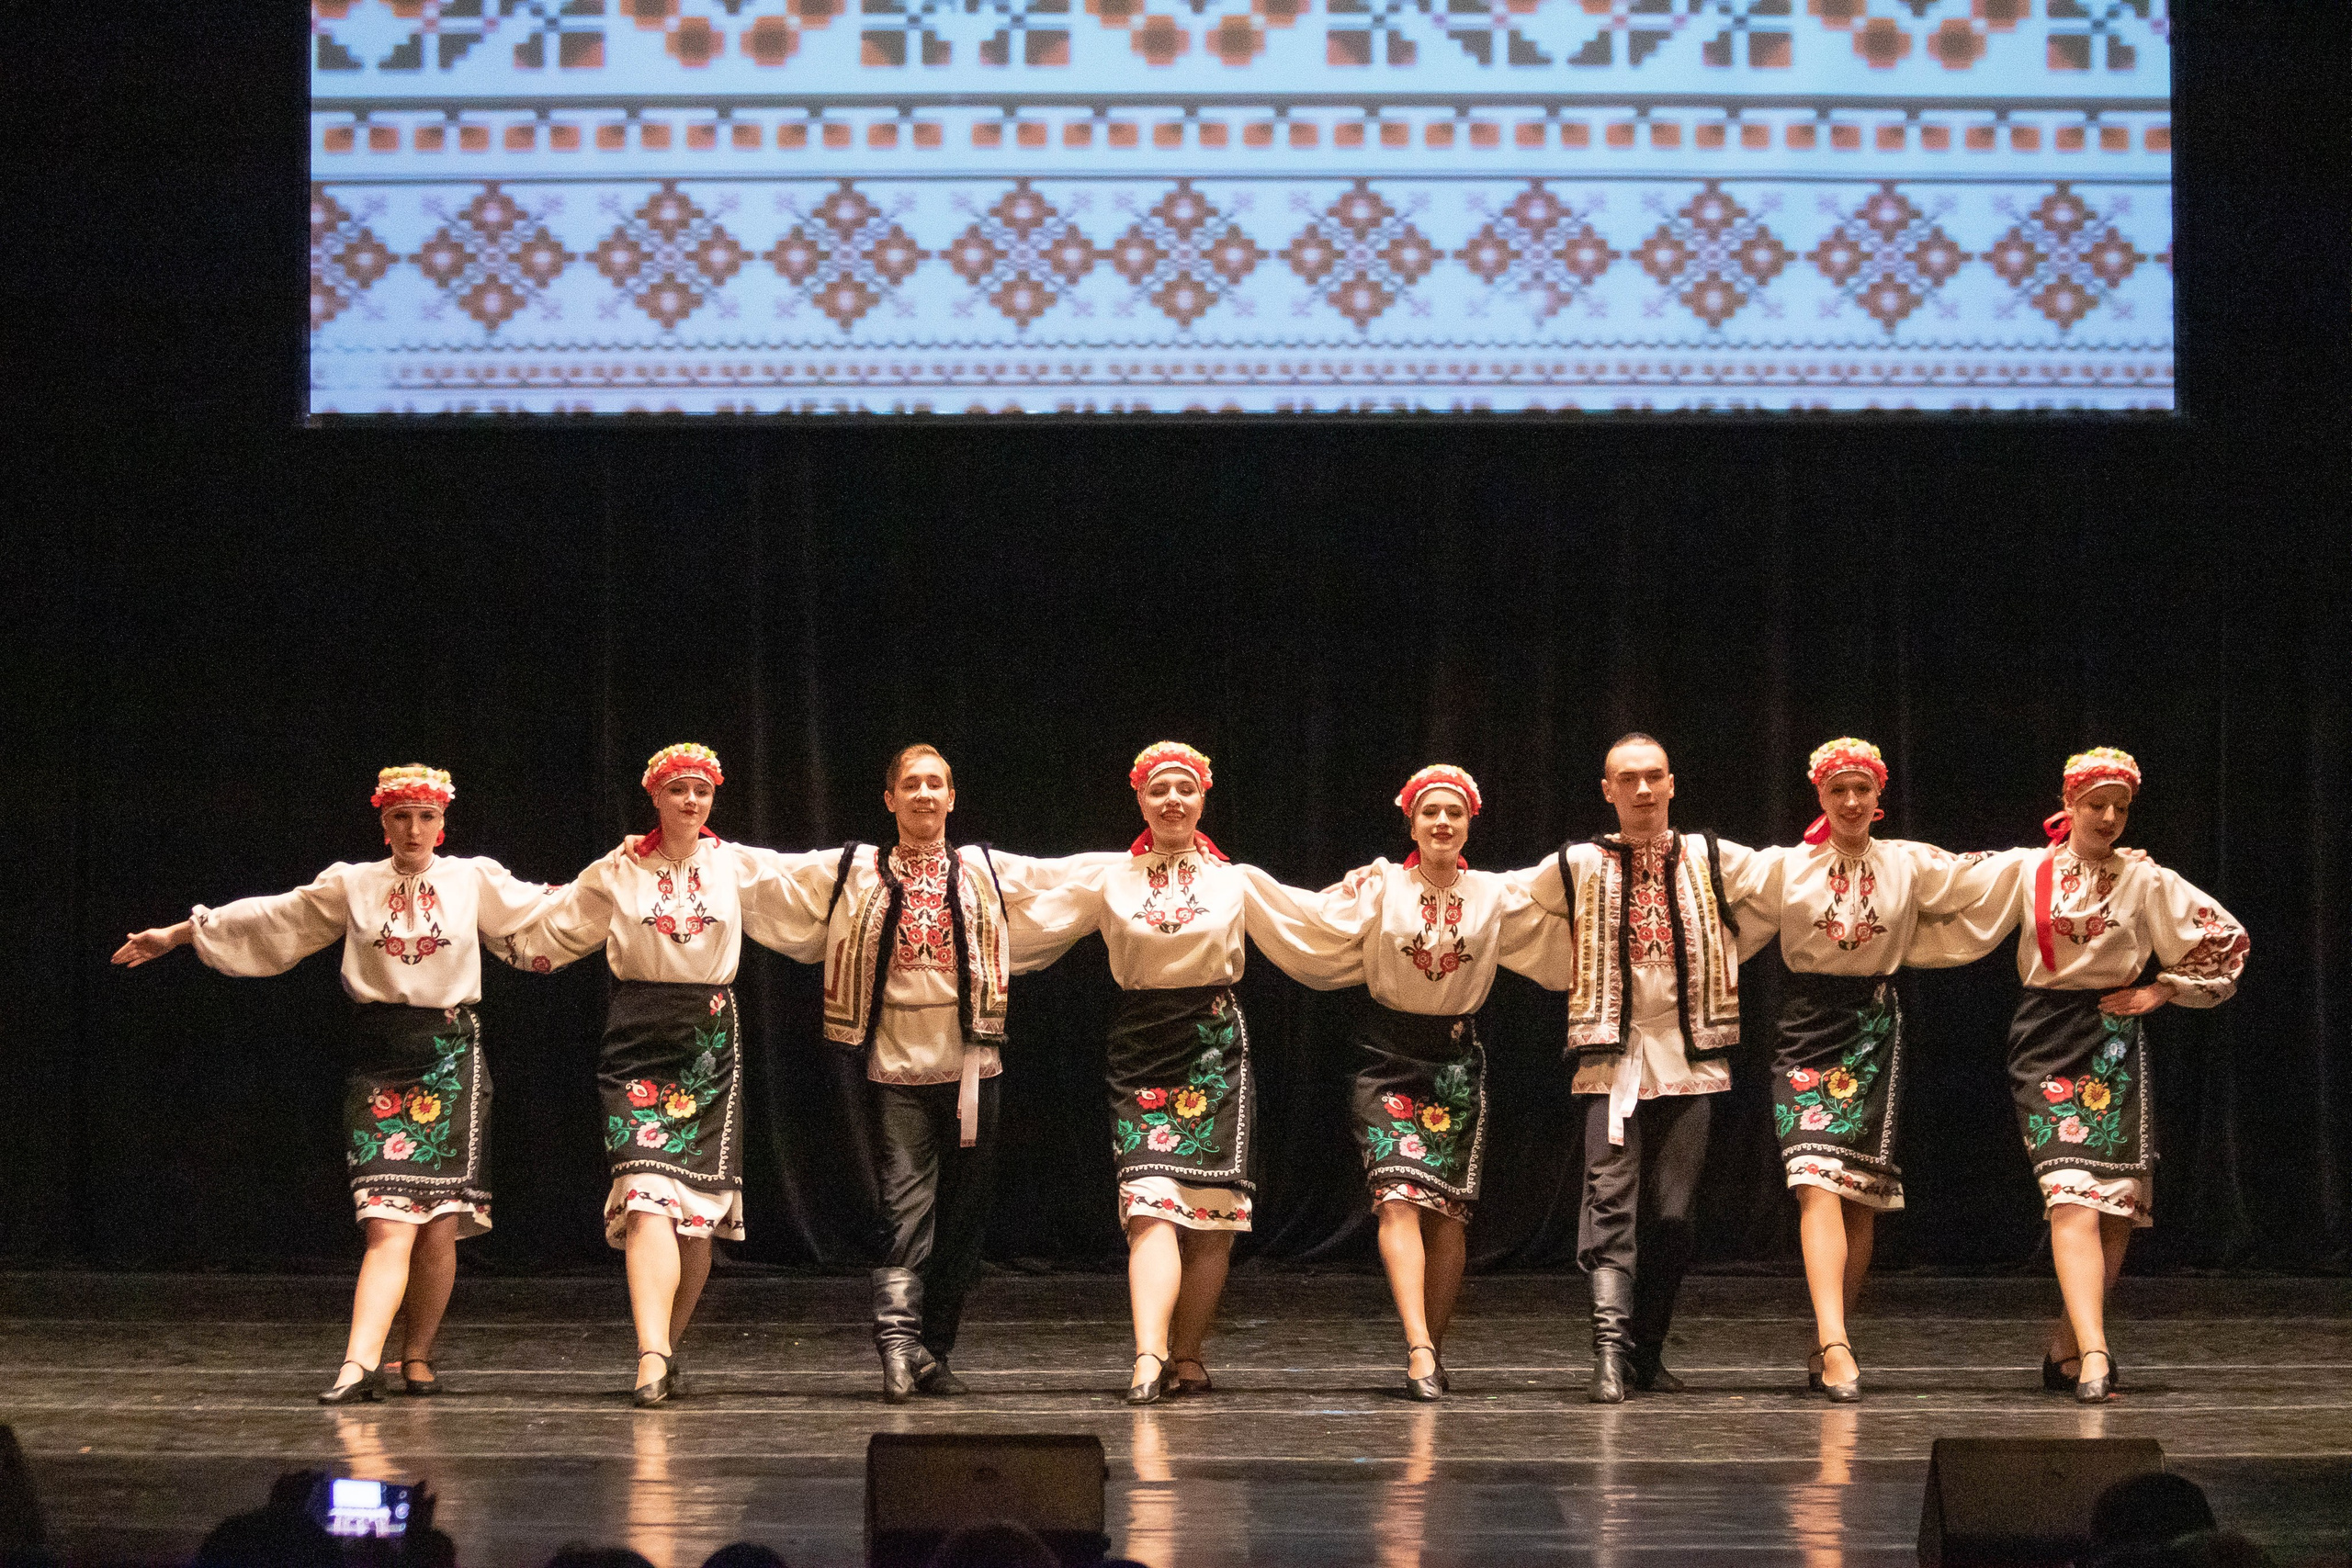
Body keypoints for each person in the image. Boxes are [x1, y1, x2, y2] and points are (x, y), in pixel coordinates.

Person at [110, 765, 560, 1404]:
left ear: (443, 822)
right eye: (401, 815)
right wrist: (182, 934)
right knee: (387, 1220)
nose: (413, 828)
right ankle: (358, 1362)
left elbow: (549, 908)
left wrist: (620, 878)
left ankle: (417, 1355)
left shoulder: (471, 879)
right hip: (381, 1058)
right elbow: (275, 919)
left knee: (435, 1224)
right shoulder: (354, 883)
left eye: (426, 816)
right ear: (383, 821)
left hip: (451, 1056)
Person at [743, 744, 1101, 1403]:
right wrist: (688, 850)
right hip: (898, 1071)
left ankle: (934, 1351)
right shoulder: (855, 869)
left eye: (936, 783)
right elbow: (764, 873)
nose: (925, 794)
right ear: (890, 799)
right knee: (905, 1210)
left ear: (953, 797)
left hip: (971, 1070)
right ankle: (898, 1345)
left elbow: (1074, 877)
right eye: (912, 784)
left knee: (964, 1216)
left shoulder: (984, 871)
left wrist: (1154, 859)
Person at [1910, 747, 2246, 1402]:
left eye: (2121, 807)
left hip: (2114, 1039)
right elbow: (1937, 881)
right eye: (2097, 804)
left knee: (2115, 1206)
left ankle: (2068, 1343)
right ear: (2069, 804)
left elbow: (2225, 936)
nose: (2110, 817)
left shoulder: (2145, 879)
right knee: (2071, 1194)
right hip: (2045, 1038)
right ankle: (2096, 1352)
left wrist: (2164, 989)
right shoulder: (2028, 868)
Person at [1012, 742, 1334, 1404]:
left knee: (1211, 1212)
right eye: (1159, 790)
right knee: (1149, 1202)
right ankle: (1148, 1356)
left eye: (1184, 789)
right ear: (1140, 800)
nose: (1172, 801)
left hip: (1214, 1043)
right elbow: (1031, 902)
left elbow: (1317, 926)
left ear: (1203, 798)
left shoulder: (1234, 880)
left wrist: (1380, 900)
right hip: (1142, 1046)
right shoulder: (1112, 878)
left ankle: (1187, 1353)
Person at [1247, 765, 1573, 1398]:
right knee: (1395, 1195)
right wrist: (1248, 889)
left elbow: (1565, 919)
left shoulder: (1495, 895)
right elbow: (1312, 919)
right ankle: (1418, 1345)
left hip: (1452, 1062)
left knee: (1447, 1212)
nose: (1442, 822)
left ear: (1470, 820)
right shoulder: (1381, 888)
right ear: (1411, 822)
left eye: (1454, 811)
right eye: (1430, 813)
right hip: (1385, 1055)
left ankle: (1433, 1345)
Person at [503, 743, 792, 1407]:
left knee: (692, 1213)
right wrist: (484, 929)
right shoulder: (621, 866)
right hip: (636, 1033)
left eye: (701, 790)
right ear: (655, 797)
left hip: (707, 1037)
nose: (691, 801)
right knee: (644, 1193)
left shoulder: (734, 864)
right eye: (678, 790)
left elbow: (808, 889)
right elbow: (557, 917)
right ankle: (652, 1352)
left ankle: (662, 1350)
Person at [1728, 738, 1989, 1401]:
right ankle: (1837, 1342)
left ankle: (1828, 1336)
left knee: (1860, 1195)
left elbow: (1999, 875)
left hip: (1873, 1027)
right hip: (1805, 1025)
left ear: (1879, 797)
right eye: (1837, 790)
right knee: (1816, 1180)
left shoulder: (1908, 864)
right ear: (1819, 795)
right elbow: (1711, 890)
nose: (1849, 801)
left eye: (1861, 790)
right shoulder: (1788, 867)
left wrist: (2076, 855)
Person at [1521, 733, 1760, 1404]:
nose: (1644, 789)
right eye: (1629, 779)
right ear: (1608, 790)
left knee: (1675, 1216)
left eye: (1654, 776)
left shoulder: (1712, 857)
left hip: (1688, 1059)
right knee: (1609, 1202)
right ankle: (1606, 1352)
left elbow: (1792, 879)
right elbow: (1498, 900)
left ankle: (1645, 1353)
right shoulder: (1576, 864)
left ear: (1673, 783)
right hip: (1614, 1062)